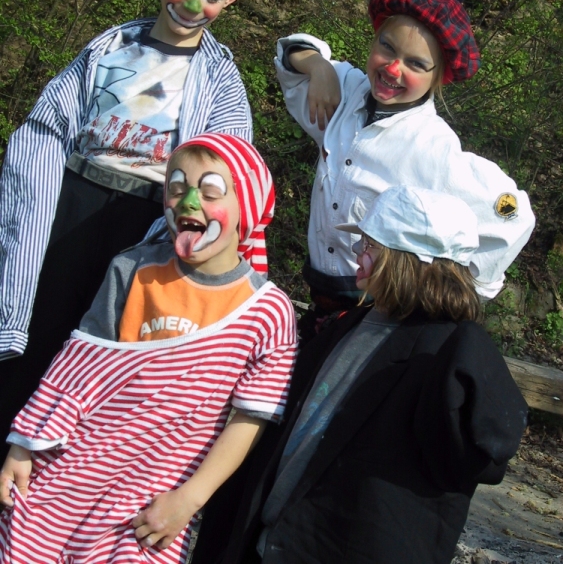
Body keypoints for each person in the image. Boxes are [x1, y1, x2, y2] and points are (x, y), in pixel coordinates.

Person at [0, 0, 254, 440]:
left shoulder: (221, 81)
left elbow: (228, 171)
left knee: (98, 353)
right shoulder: (108, 50)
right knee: (35, 343)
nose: (194, 4)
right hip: (70, 208)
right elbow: (45, 130)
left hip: (147, 228)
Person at [190, 185, 529, 564]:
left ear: (405, 260)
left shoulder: (445, 355)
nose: (356, 252)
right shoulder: (348, 325)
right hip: (270, 545)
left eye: (369, 245)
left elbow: (475, 454)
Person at [0, 133, 297, 564]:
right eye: (176, 188)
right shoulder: (131, 268)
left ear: (247, 205)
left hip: (151, 505)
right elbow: (76, 367)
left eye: (210, 191)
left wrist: (190, 499)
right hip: (65, 476)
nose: (188, 202)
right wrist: (24, 445)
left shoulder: (267, 313)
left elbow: (252, 417)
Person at [274, 0, 535, 338]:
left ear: (437, 76)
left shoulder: (434, 149)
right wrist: (318, 67)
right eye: (387, 47)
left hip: (375, 316)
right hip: (321, 299)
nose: (393, 68)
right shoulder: (347, 92)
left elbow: (512, 217)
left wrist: (456, 288)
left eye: (415, 64)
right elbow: (292, 51)